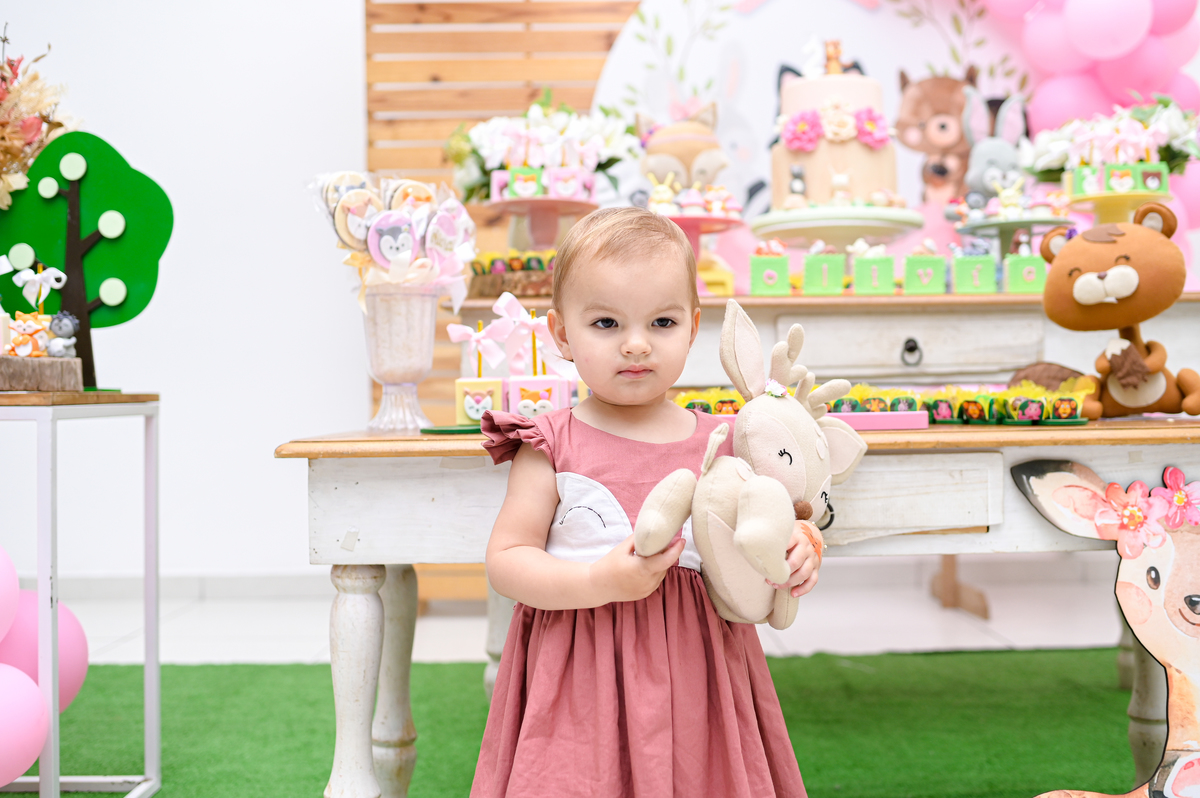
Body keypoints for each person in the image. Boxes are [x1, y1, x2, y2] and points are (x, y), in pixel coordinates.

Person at [471, 207, 819, 798]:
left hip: (699, 676)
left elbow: (779, 518)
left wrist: (802, 545)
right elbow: (506, 559)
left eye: (662, 322)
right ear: (562, 333)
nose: (636, 345)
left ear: (693, 327)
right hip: (581, 676)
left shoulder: (723, 442)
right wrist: (596, 581)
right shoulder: (551, 443)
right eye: (606, 323)